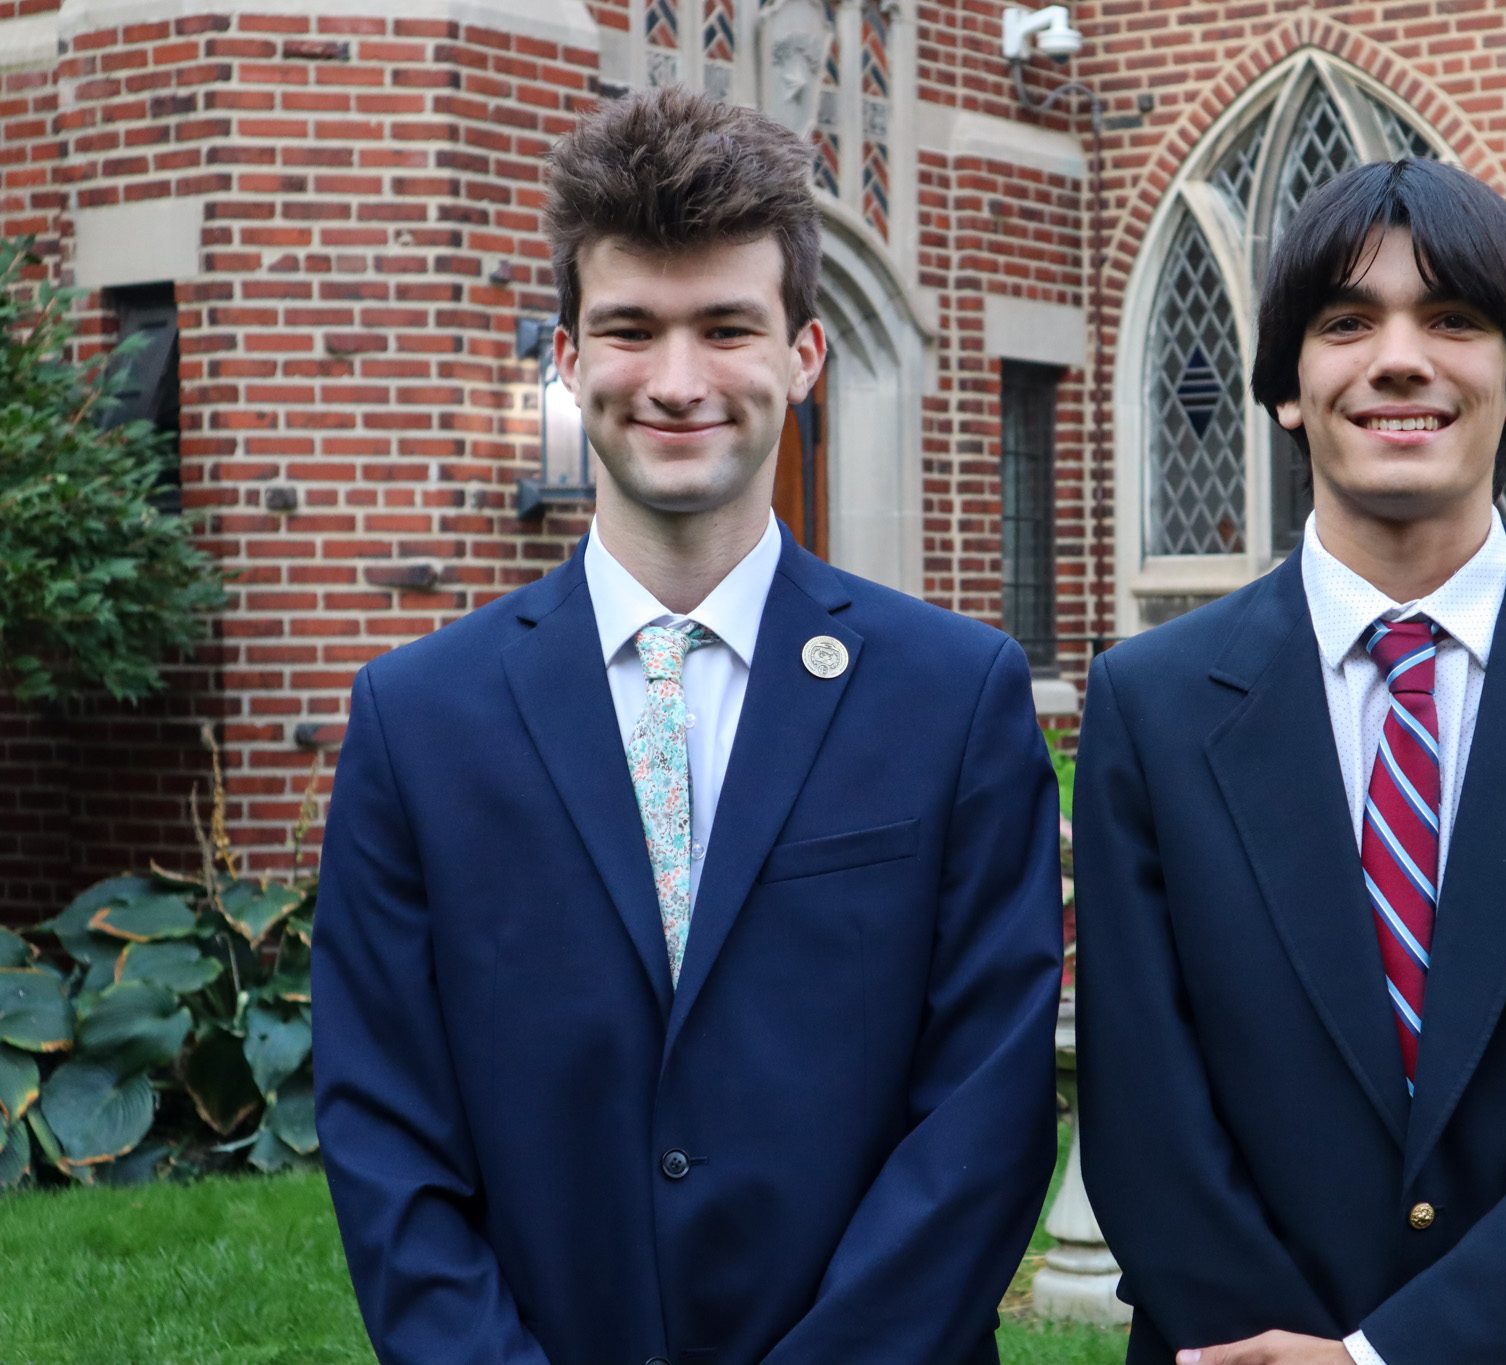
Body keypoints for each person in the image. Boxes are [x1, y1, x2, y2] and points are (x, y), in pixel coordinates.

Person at [312, 88, 1063, 1365]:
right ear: (565, 358)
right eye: (629, 330)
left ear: (804, 356)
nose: (675, 382)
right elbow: (385, 1128)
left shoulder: (953, 696)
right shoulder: (415, 721)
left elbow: (985, 1117)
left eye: (725, 327)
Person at [1074, 158, 1506, 1365]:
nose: (1397, 359)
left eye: (1452, 319)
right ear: (1289, 388)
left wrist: (1384, 1358)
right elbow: (1143, 1105)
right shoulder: (1151, 704)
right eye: (1346, 323)